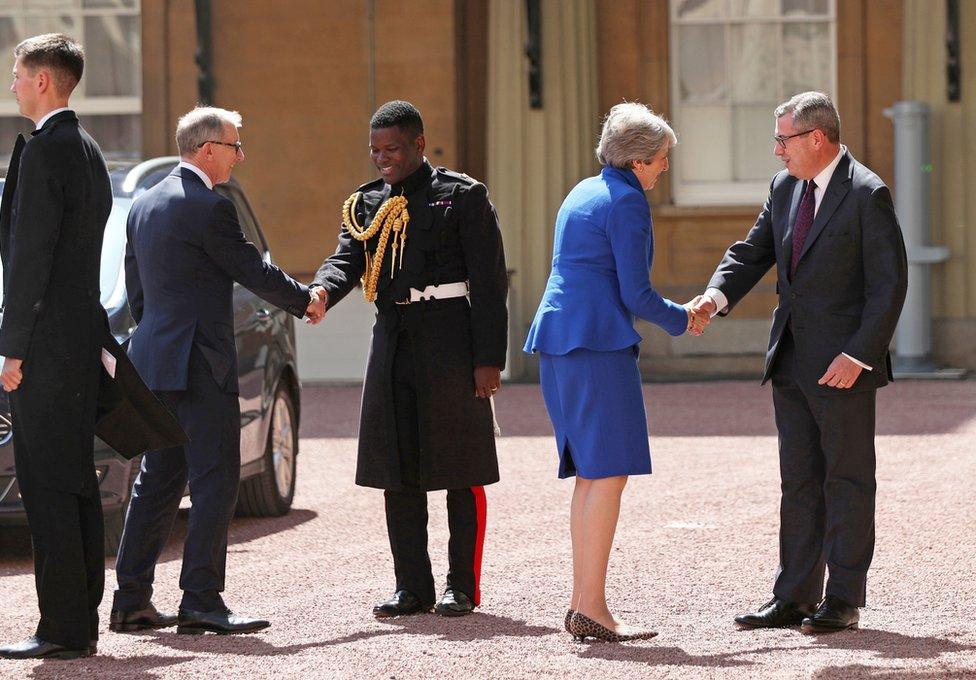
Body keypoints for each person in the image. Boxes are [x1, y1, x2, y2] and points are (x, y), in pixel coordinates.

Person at [0, 33, 186, 661]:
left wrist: (13, 348)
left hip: (46, 347)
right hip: (80, 340)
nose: (14, 83)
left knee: (47, 484)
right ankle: (77, 618)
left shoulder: (43, 152)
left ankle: (62, 627)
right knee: (74, 481)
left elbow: (28, 259)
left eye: (19, 74)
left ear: (44, 81)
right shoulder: (86, 149)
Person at [693, 92, 907, 633]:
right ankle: (793, 596)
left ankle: (842, 599)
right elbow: (752, 251)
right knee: (800, 480)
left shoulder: (867, 192)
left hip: (843, 366)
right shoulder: (784, 187)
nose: (776, 151)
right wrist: (714, 298)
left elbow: (889, 285)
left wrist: (859, 354)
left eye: (782, 139)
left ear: (817, 138)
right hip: (790, 359)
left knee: (848, 480)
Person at [110, 106, 326, 636]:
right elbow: (251, 269)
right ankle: (202, 600)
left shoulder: (142, 205)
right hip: (202, 364)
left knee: (156, 482)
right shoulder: (210, 207)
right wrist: (307, 300)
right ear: (207, 149)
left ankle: (130, 600)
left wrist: (161, 335)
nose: (240, 156)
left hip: (156, 363)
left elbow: (137, 294)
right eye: (234, 146)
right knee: (215, 480)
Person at [312, 100, 507, 618]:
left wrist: (489, 359)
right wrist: (320, 293)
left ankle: (461, 586)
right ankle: (411, 586)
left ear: (419, 145)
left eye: (393, 148)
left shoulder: (462, 196)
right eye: (375, 150)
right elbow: (345, 261)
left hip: (451, 339)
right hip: (393, 339)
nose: (383, 159)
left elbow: (489, 283)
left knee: (460, 467)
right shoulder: (365, 204)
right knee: (396, 467)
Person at [523, 102, 708, 643]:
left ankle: (586, 604)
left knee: (592, 476)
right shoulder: (627, 201)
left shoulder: (581, 191)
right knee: (608, 475)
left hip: (561, 341)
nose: (665, 168)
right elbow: (636, 293)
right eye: (663, 159)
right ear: (641, 161)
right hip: (596, 344)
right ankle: (593, 607)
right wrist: (684, 318)